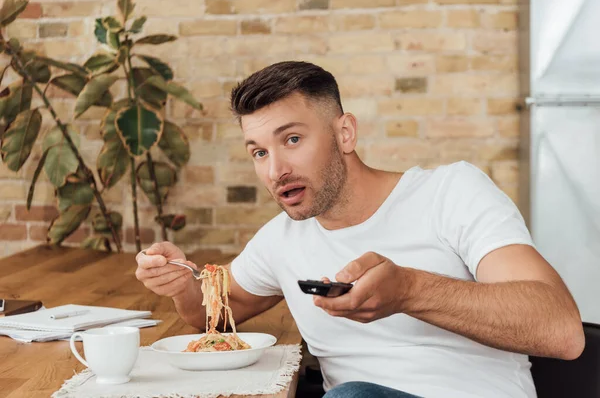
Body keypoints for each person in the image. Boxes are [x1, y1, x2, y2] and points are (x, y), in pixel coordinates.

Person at [135, 61, 584, 398]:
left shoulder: (451, 192)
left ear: (345, 133)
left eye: (292, 140)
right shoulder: (280, 239)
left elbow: (561, 331)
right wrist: (178, 282)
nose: (276, 170)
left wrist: (411, 290)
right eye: (258, 152)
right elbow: (209, 314)